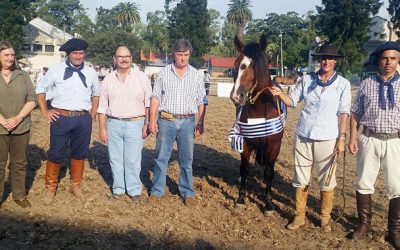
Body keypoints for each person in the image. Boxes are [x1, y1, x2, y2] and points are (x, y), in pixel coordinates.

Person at [269, 44, 351, 232]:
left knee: (327, 179)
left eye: (330, 58)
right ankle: (299, 216)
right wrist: (280, 94)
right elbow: (293, 102)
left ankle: (324, 217)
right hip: (304, 135)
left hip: (328, 137)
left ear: (335, 61)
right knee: (301, 177)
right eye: (323, 58)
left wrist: (341, 138)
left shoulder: (343, 84)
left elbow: (344, 112)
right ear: (319, 60)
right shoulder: (306, 80)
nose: (326, 61)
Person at [35, 38, 100, 205]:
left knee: (79, 153)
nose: (78, 56)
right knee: (56, 153)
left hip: (83, 119)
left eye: (81, 53)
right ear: (69, 54)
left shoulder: (91, 72)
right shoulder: (56, 70)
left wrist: (93, 112)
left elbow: (96, 93)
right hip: (61, 118)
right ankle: (50, 188)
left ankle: (75, 185)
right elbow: (40, 90)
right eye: (75, 53)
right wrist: (44, 111)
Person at [348, 41, 400, 249]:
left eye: (393, 58)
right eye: (385, 58)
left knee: (396, 186)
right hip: (368, 139)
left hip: (395, 141)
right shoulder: (367, 83)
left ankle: (394, 230)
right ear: (379, 60)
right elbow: (355, 113)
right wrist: (353, 137)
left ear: (398, 60)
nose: (388, 63)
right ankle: (364, 224)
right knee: (363, 182)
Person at [148, 39, 207, 206]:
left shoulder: (196, 75)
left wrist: (201, 122)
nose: (182, 58)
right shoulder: (164, 73)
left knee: (186, 160)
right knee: (161, 157)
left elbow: (201, 101)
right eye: (180, 54)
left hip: (188, 122)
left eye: (186, 55)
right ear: (174, 54)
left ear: (190, 55)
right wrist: (152, 120)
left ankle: (187, 192)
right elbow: (155, 98)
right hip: (166, 120)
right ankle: (157, 190)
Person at [97, 46, 152, 201]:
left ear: (131, 58)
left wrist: (147, 123)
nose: (124, 59)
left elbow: (148, 103)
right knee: (115, 158)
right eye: (120, 56)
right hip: (114, 123)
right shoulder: (108, 79)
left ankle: (134, 190)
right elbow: (102, 106)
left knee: (133, 159)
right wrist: (102, 128)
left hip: (136, 123)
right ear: (115, 59)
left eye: (126, 56)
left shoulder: (142, 78)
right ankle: (118, 188)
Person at [0, 41, 36, 208]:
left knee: (19, 163)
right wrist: (2, 120)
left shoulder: (23, 75)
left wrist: (18, 118)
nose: (10, 58)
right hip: (0, 128)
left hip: (20, 127)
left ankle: (19, 195)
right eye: (6, 55)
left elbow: (31, 100)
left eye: (12, 55)